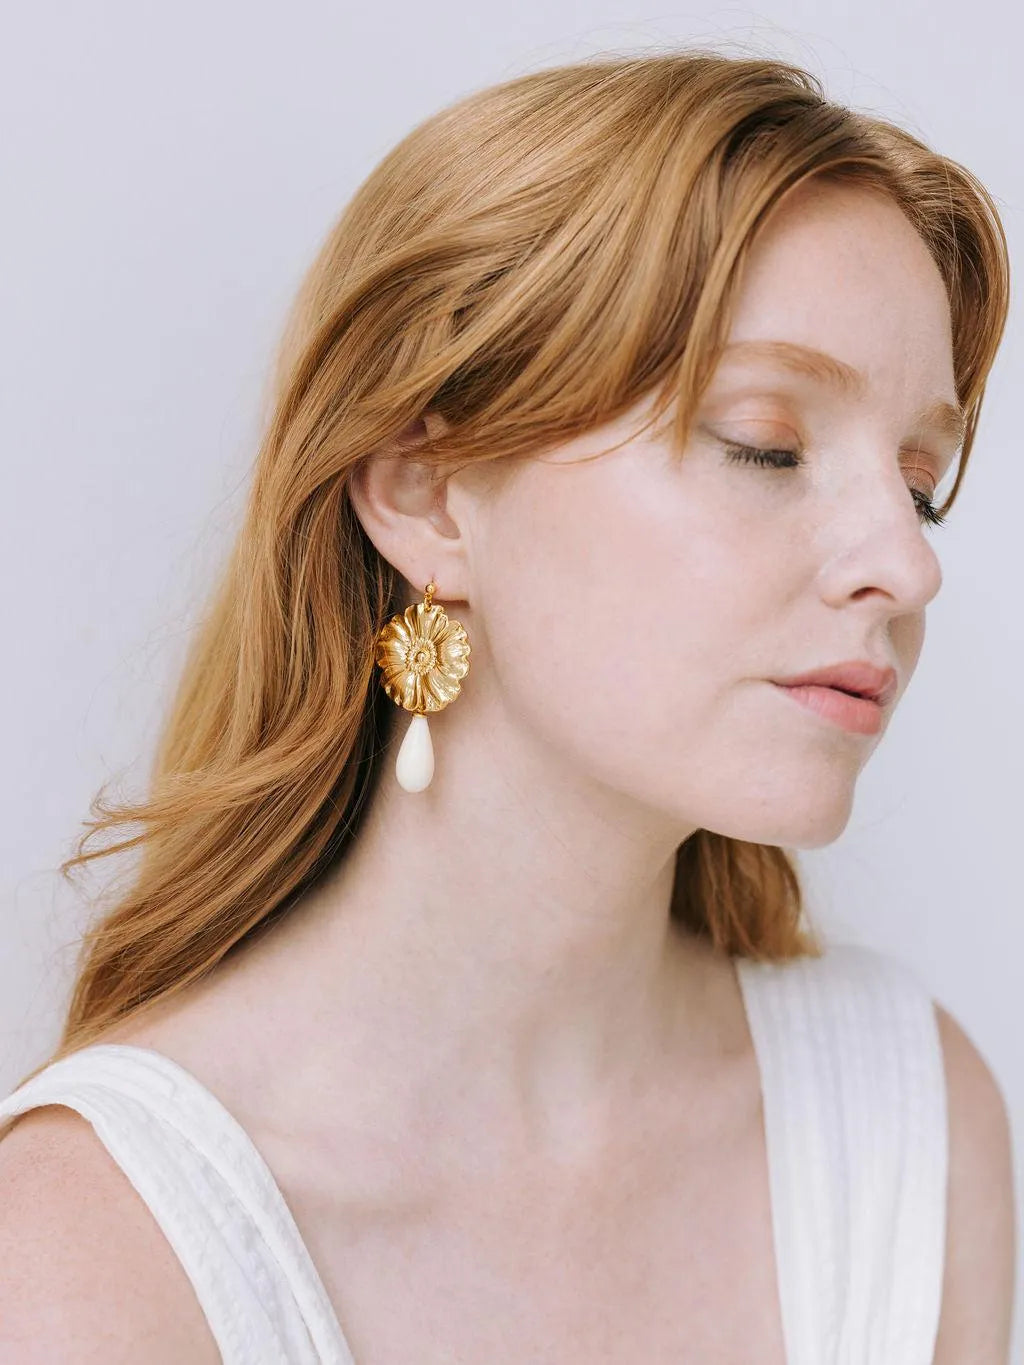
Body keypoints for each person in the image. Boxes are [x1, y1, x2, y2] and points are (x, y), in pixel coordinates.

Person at [0, 48, 1015, 1365]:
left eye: (921, 485)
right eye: (766, 442)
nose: (907, 565)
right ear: (426, 493)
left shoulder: (911, 1134)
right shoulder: (86, 1258)